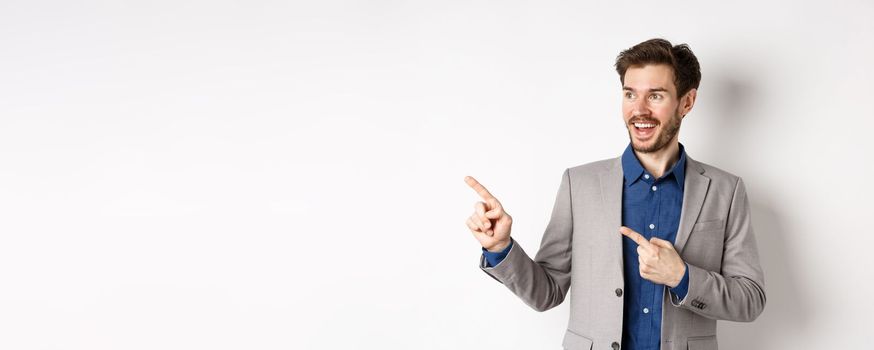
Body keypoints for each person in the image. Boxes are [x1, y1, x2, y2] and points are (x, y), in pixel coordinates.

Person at [463, 38, 766, 350]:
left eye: (656, 96)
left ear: (686, 102)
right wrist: (500, 247)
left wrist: (682, 276)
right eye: (630, 94)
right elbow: (546, 293)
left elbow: (750, 298)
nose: (639, 110)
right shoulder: (578, 184)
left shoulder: (725, 190)